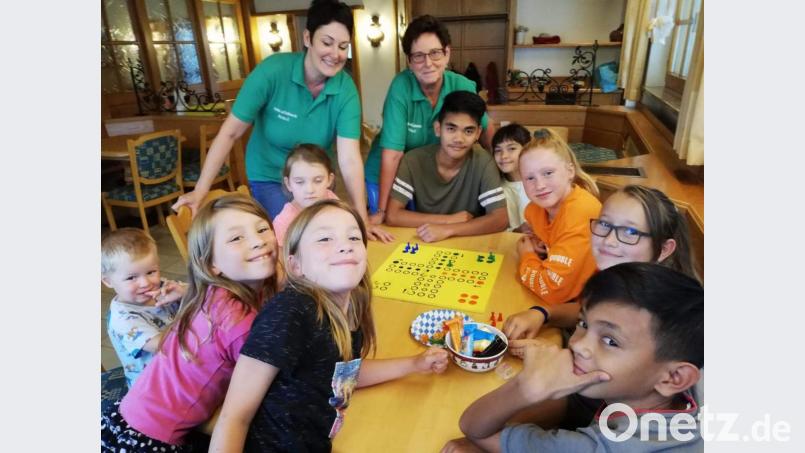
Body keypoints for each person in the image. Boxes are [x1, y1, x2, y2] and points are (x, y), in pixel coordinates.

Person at [209, 199, 449, 452]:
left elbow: (341, 374)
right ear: (295, 265)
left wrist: (414, 364)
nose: (345, 246)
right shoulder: (289, 313)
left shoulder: (350, 307)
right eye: (325, 239)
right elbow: (234, 418)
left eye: (354, 238)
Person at [171, 0, 391, 242]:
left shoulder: (345, 89)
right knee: (296, 239)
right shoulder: (272, 72)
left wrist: (362, 218)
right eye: (327, 43)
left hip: (313, 181)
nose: (335, 54)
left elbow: (349, 158)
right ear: (307, 38)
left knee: (327, 234)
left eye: (343, 46)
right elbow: (230, 133)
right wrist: (200, 190)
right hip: (270, 177)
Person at [442, 262, 704, 452]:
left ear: (673, 378)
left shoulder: (599, 448)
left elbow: (474, 427)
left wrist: (525, 387)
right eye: (583, 324)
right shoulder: (682, 388)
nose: (578, 345)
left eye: (611, 341)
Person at [101, 194, 280, 452]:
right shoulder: (238, 321)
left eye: (263, 228)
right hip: (156, 435)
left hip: (136, 411)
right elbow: (275, 378)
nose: (257, 241)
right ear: (212, 264)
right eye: (236, 237)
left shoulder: (214, 291)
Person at [504, 184, 701, 340]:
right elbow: (590, 308)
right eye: (605, 224)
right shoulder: (622, 278)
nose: (609, 240)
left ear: (664, 249)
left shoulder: (650, 315)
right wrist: (543, 312)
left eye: (630, 232)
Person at [364, 14, 496, 225]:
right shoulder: (401, 86)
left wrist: (499, 174)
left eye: (435, 53)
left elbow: (486, 131)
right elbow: (393, 154)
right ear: (409, 61)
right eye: (418, 55)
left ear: (447, 53)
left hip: (422, 176)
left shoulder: (462, 85)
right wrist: (381, 210)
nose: (428, 63)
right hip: (384, 173)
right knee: (391, 230)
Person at [384, 90, 509, 243]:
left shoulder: (484, 162)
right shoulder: (413, 160)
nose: (459, 139)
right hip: (426, 240)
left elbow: (500, 219)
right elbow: (393, 215)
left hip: (468, 242)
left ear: (478, 133)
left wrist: (449, 230)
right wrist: (449, 220)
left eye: (468, 131)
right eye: (451, 129)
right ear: (438, 129)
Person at [515, 128, 600, 305]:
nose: (539, 185)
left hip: (589, 305)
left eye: (548, 173)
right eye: (529, 178)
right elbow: (548, 235)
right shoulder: (535, 209)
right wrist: (542, 243)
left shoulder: (580, 213)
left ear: (570, 171)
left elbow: (553, 290)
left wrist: (527, 255)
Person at [101, 228, 186, 387]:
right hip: (153, 386)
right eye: (131, 277)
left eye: (151, 272)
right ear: (108, 281)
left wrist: (184, 292)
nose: (145, 283)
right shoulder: (123, 319)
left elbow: (200, 294)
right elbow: (161, 345)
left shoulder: (162, 287)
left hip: (178, 367)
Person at [272, 144, 340, 247]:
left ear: (329, 180)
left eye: (318, 181)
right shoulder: (284, 222)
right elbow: (281, 258)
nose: (309, 190)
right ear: (288, 184)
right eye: (299, 182)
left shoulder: (331, 199)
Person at [491, 123, 532, 232]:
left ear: (527, 149)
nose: (504, 156)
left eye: (512, 148)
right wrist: (518, 230)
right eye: (498, 150)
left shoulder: (539, 184)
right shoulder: (495, 187)